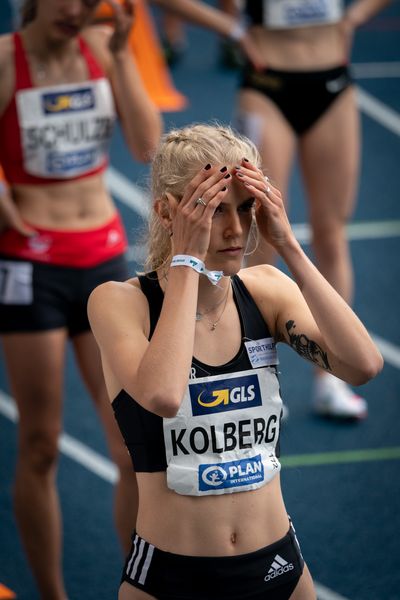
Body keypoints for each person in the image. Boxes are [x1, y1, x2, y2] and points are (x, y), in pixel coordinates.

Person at [88, 123, 383, 600]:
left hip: (278, 565)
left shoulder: (264, 290)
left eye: (246, 208)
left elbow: (363, 365)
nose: (235, 229)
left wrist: (289, 246)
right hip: (171, 576)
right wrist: (186, 260)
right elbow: (163, 395)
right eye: (212, 209)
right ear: (167, 212)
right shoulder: (121, 303)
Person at [0, 0, 162, 598]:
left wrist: (121, 57)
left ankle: (141, 586)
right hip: (29, 265)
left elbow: (148, 150)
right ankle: (52, 593)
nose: (76, 10)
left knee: (132, 447)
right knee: (40, 443)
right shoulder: (5, 61)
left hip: (101, 261)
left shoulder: (101, 46)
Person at [233, 0, 391, 420]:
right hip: (268, 87)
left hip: (333, 87)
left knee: (331, 233)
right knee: (258, 236)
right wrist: (228, 27)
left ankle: (330, 380)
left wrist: (355, 16)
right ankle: (256, 375)